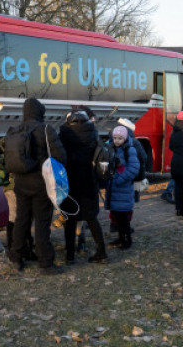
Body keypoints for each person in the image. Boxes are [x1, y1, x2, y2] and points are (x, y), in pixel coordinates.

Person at [6, 97, 67, 274]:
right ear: (40, 112)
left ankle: (16, 257)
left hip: (20, 183)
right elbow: (60, 156)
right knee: (42, 222)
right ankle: (45, 263)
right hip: (41, 184)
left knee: (21, 220)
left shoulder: (15, 129)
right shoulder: (45, 129)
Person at [58, 110, 108, 265]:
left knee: (70, 220)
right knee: (92, 219)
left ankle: (70, 256)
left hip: (70, 184)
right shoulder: (93, 134)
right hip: (89, 183)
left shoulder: (64, 135)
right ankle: (102, 253)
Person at [104, 125, 140, 249]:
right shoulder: (110, 148)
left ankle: (126, 240)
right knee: (117, 217)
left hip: (123, 188)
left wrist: (120, 179)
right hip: (113, 189)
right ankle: (120, 238)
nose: (117, 140)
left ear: (125, 138)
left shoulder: (130, 150)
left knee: (123, 218)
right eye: (115, 138)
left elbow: (134, 168)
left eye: (120, 138)